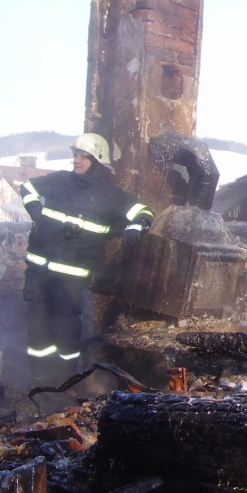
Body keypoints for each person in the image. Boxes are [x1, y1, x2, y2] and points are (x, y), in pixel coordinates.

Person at [20, 133, 154, 387]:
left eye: (83, 156)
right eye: (76, 155)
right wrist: (34, 208)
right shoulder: (59, 181)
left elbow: (144, 211)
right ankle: (39, 380)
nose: (77, 160)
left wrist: (137, 226)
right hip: (38, 272)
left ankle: (64, 381)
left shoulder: (110, 196)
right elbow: (27, 187)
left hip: (69, 279)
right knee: (37, 328)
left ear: (97, 161)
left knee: (66, 330)